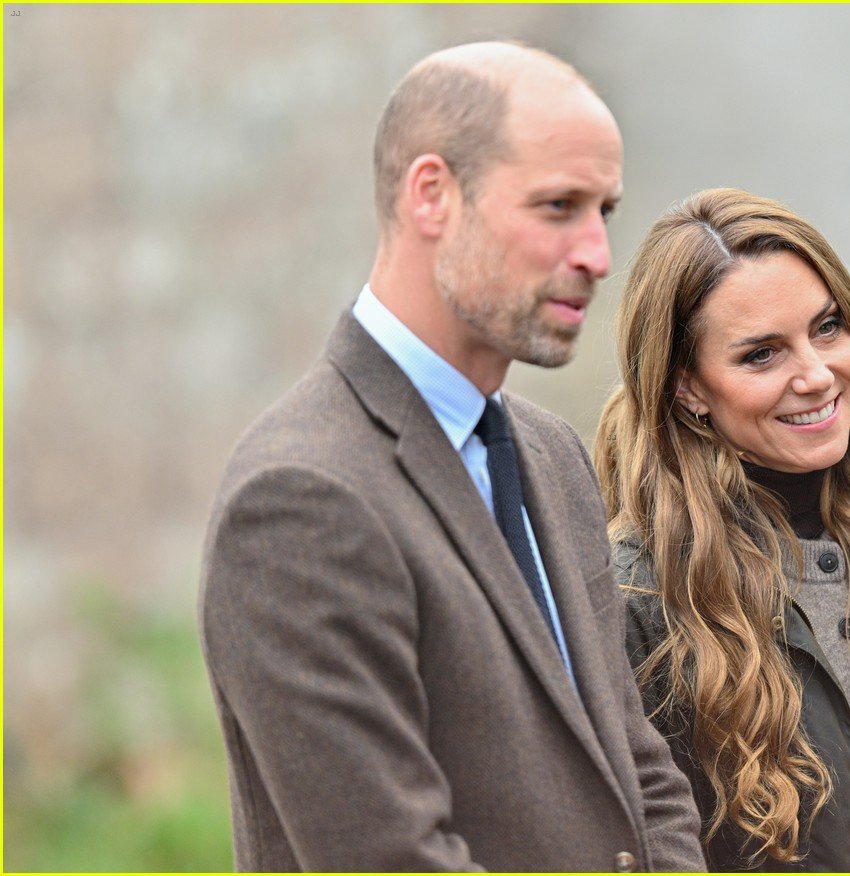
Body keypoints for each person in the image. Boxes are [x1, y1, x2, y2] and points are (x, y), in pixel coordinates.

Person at [198, 42, 705, 872]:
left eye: (603, 211)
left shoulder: (550, 455)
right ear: (431, 194)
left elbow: (641, 773)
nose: (597, 255)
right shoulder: (298, 498)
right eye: (557, 207)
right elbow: (388, 856)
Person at [594, 188, 850, 872]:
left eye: (828, 328)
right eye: (762, 355)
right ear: (688, 387)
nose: (816, 375)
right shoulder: (637, 600)